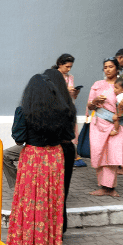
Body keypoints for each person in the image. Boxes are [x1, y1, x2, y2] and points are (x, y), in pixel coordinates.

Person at [6, 74, 75, 245]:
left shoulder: (23, 111)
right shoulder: (63, 111)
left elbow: (19, 138)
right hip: (54, 158)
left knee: (29, 202)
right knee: (51, 203)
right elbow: (69, 136)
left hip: (33, 157)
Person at [87, 57, 123, 196]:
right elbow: (89, 105)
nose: (107, 69)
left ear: (117, 68)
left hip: (117, 125)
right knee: (99, 153)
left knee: (113, 155)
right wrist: (95, 101)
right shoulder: (98, 84)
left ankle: (110, 187)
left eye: (111, 66)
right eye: (105, 67)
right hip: (99, 124)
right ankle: (103, 186)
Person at [43, 68, 77, 234]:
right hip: (68, 148)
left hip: (54, 150)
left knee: (51, 191)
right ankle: (61, 227)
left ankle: (53, 228)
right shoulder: (68, 103)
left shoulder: (49, 104)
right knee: (63, 190)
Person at [52, 53, 85, 168]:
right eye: (67, 66)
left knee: (68, 135)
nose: (69, 69)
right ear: (60, 64)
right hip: (58, 110)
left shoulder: (70, 77)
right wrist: (66, 89)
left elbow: (73, 97)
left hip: (69, 109)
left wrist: (75, 92)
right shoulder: (54, 76)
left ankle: (69, 159)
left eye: (70, 67)